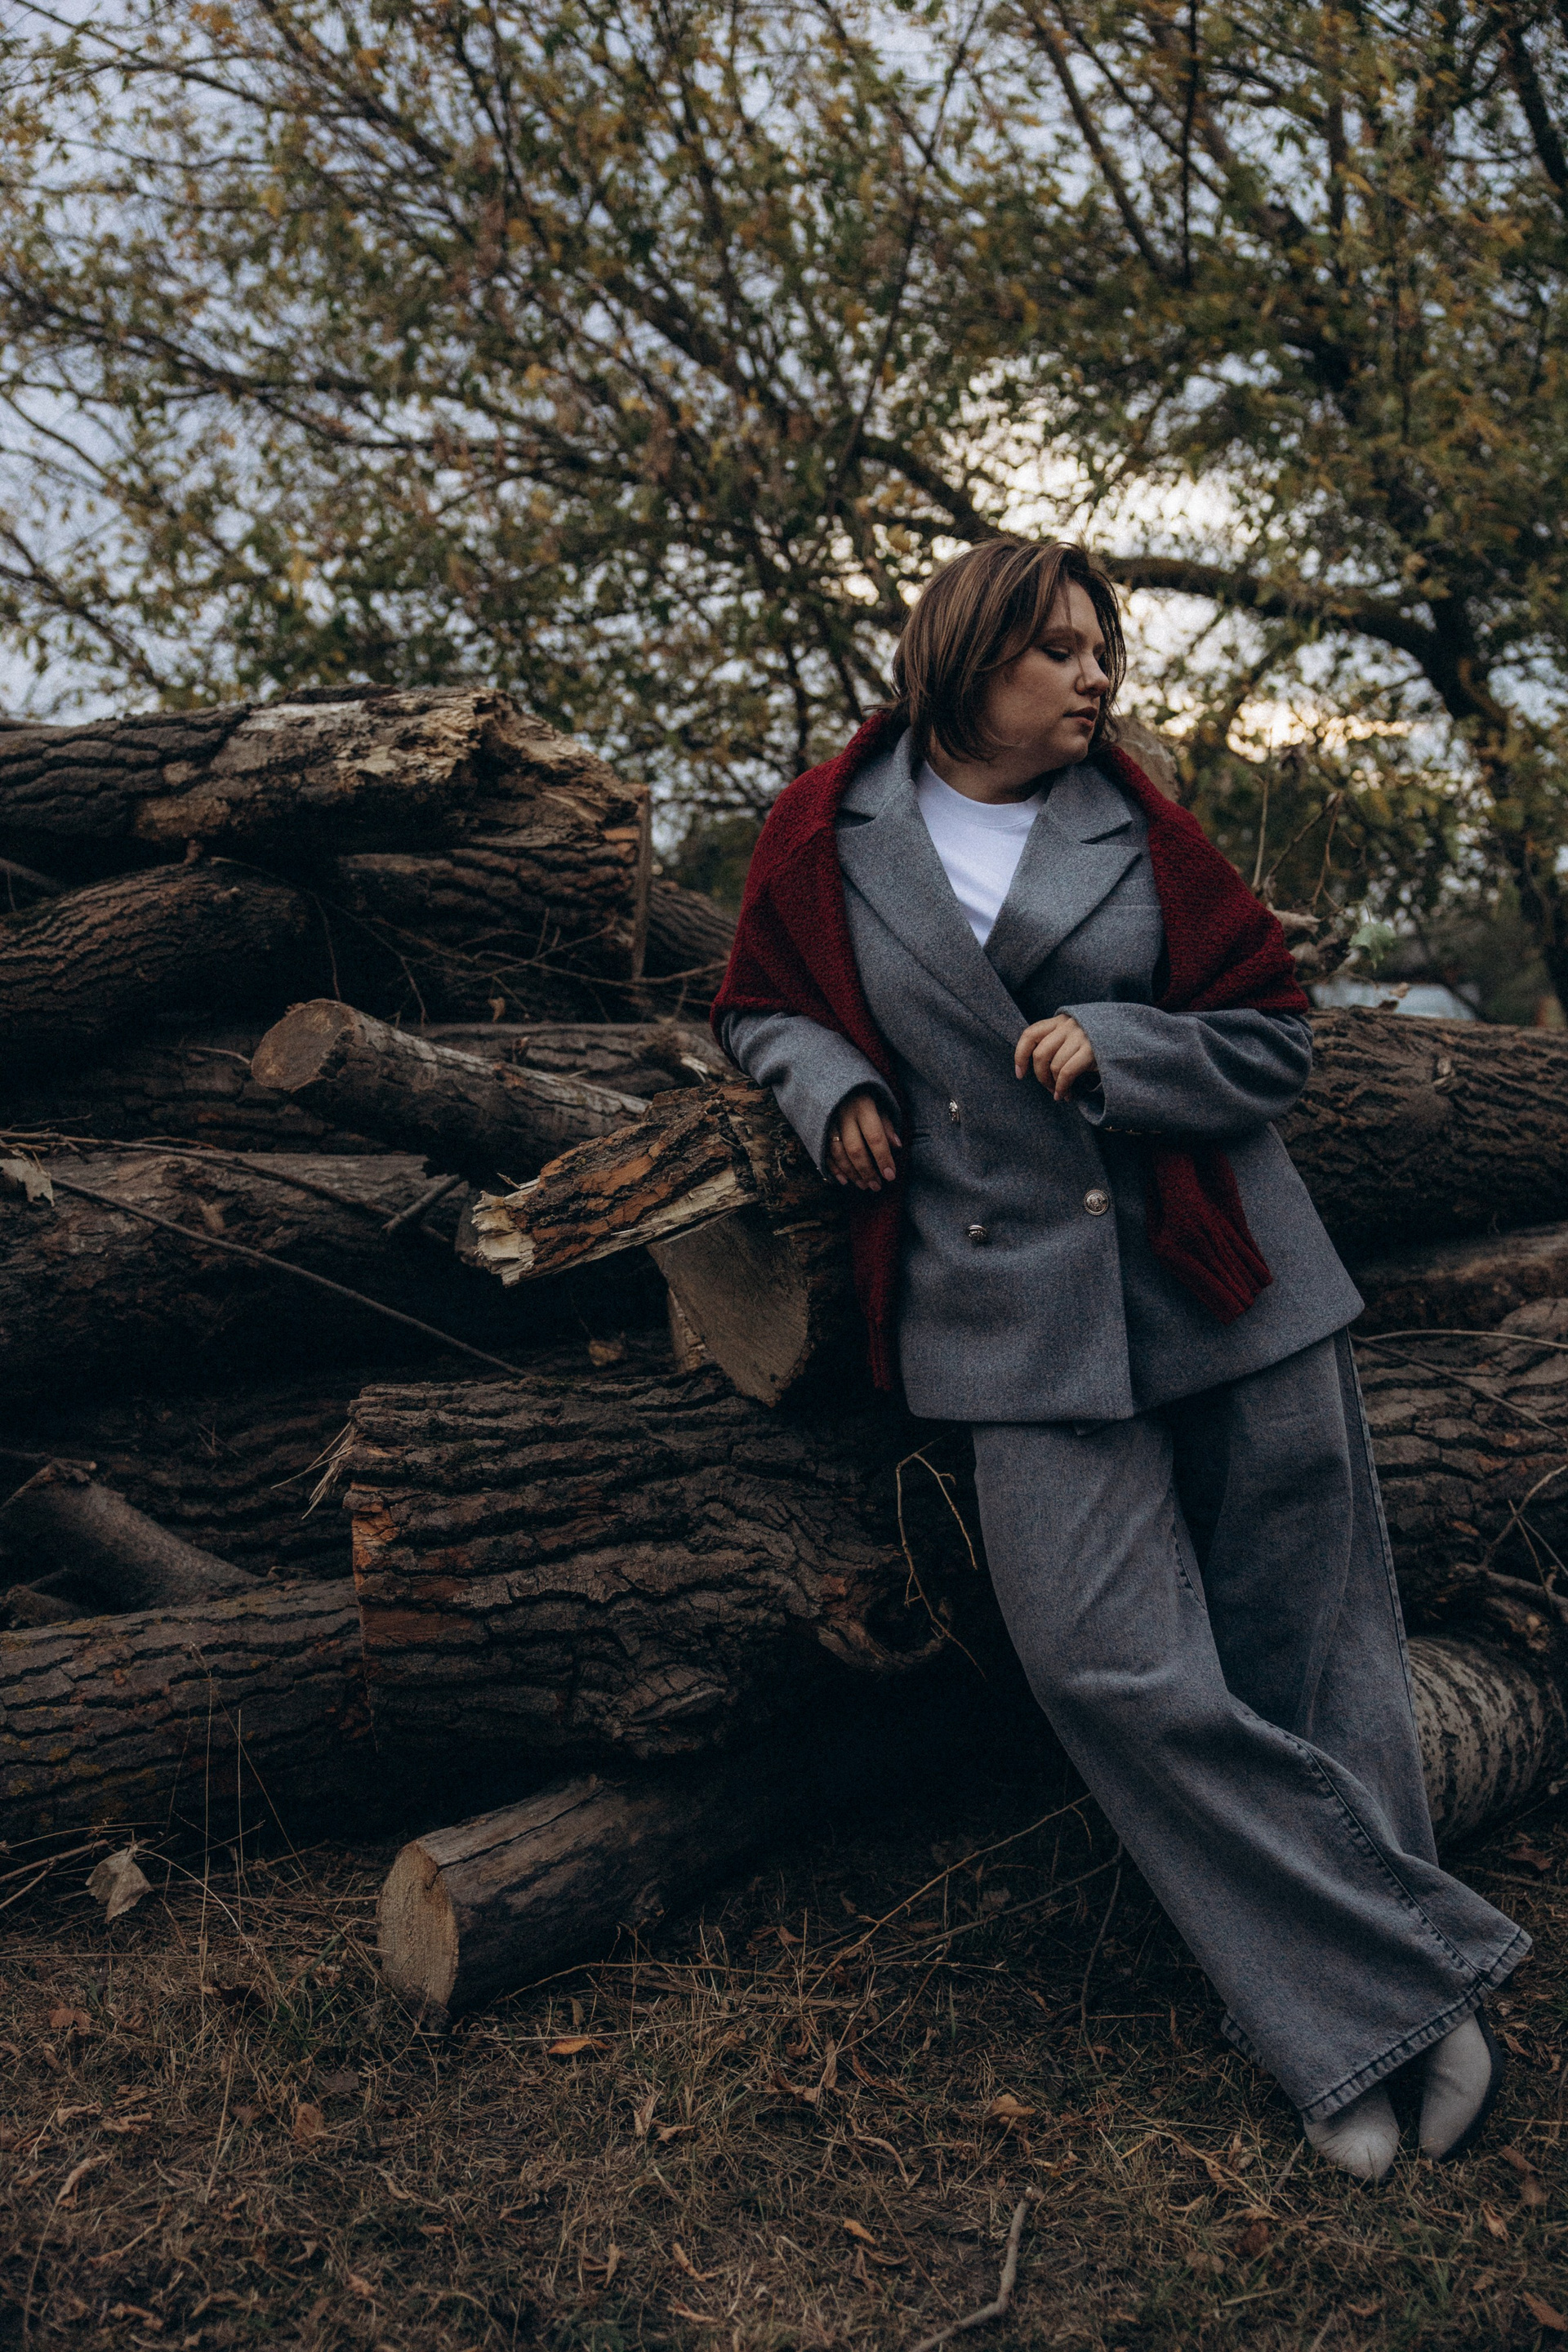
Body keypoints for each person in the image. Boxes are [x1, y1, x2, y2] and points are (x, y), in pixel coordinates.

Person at [712, 536, 1522, 2181]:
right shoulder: (826, 831)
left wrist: (1127, 1047)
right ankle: (1419, 1983)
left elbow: (1274, 1035)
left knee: (1315, 1657)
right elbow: (758, 1003)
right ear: (971, 658)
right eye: (1063, 650)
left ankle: (1347, 2027)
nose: (1098, 678)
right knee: (1104, 1663)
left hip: (1228, 1288)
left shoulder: (1137, 828)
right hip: (1005, 1312)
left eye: (1104, 651)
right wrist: (827, 1084)